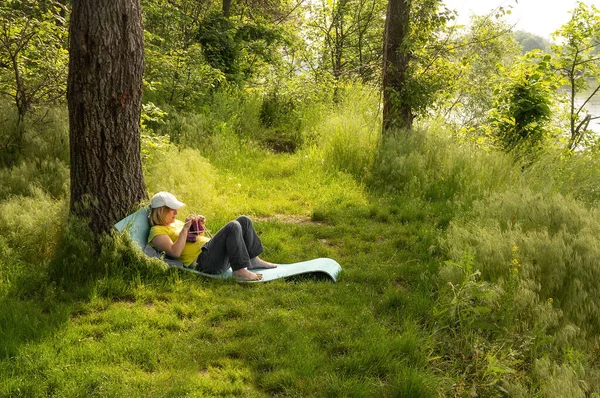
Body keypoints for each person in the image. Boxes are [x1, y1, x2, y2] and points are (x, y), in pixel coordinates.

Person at [147, 191, 276, 281]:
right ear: (161, 210)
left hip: (209, 251)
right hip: (204, 261)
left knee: (244, 220)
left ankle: (252, 260)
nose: (177, 212)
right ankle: (239, 271)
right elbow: (175, 252)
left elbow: (196, 240)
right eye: (172, 209)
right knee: (233, 226)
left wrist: (198, 227)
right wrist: (185, 229)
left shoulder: (175, 222)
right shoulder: (157, 231)